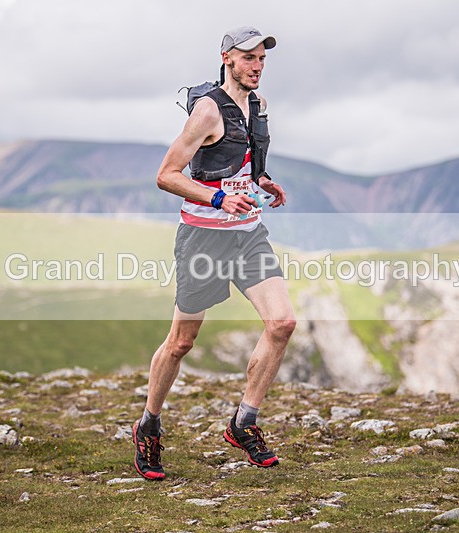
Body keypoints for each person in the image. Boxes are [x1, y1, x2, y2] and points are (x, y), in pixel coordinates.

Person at [132, 26, 297, 480]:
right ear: (227, 58)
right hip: (203, 238)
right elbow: (167, 174)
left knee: (282, 323)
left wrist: (262, 183)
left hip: (248, 235)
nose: (257, 66)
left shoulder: (259, 108)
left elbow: (240, 166)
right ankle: (149, 424)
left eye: (262, 58)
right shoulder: (207, 112)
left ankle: (243, 423)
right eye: (249, 58)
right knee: (182, 342)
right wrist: (219, 200)